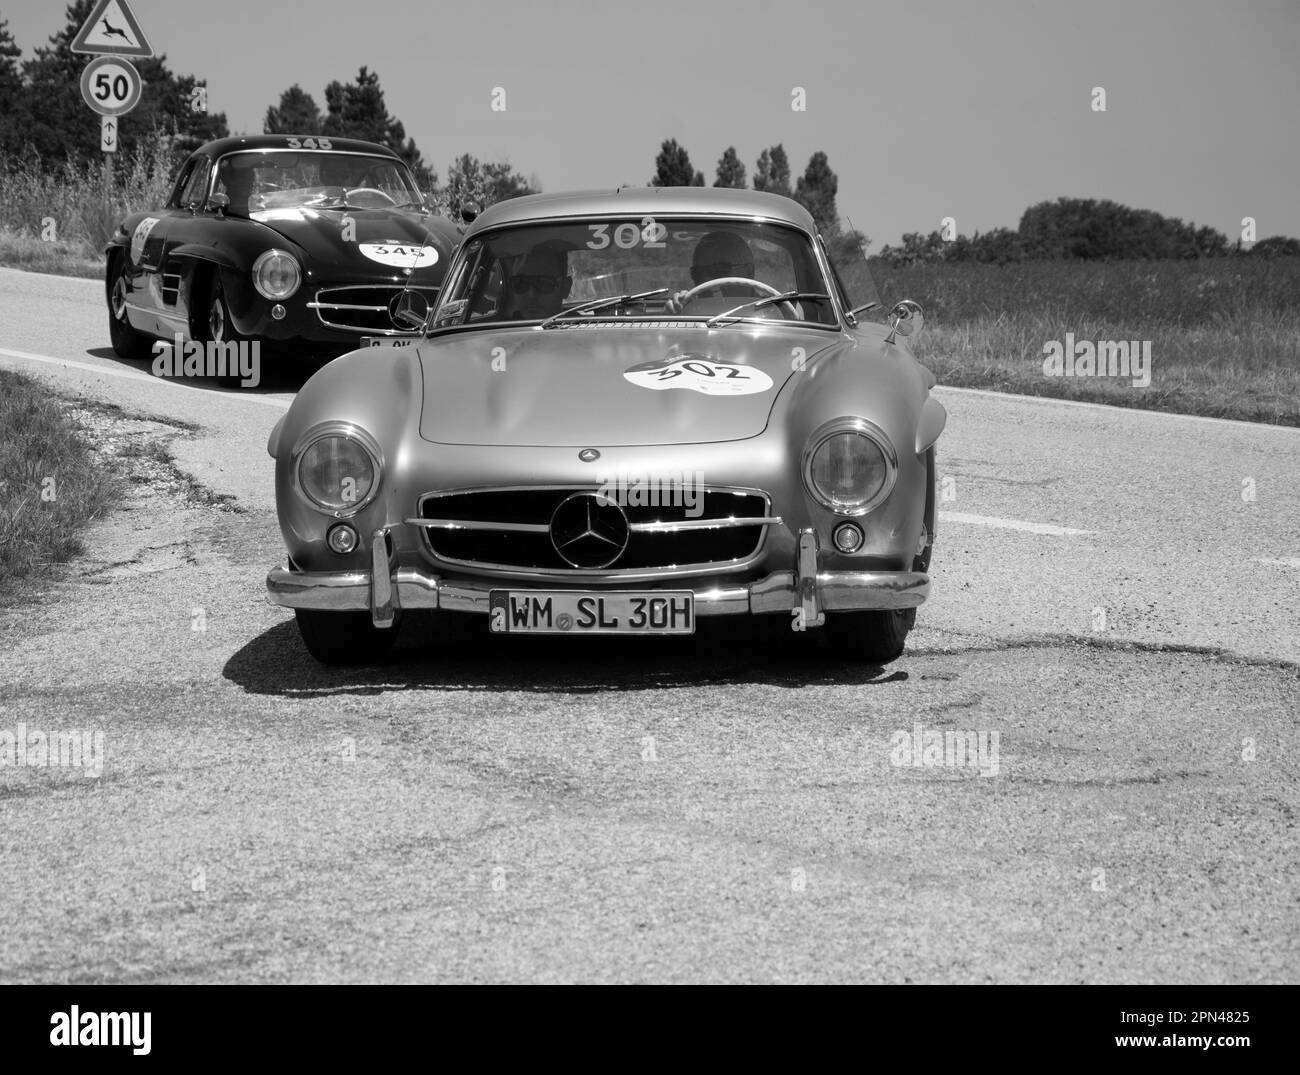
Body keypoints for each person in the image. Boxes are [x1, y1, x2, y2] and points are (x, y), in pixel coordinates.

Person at [666, 231, 759, 313]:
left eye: (720, 269)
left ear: (749, 271)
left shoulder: (771, 311)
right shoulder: (692, 313)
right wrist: (676, 314)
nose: (705, 280)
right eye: (698, 273)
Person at [499, 243, 572, 321]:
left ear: (565, 287)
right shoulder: (495, 330)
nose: (531, 294)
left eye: (543, 283)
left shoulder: (581, 328)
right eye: (521, 283)